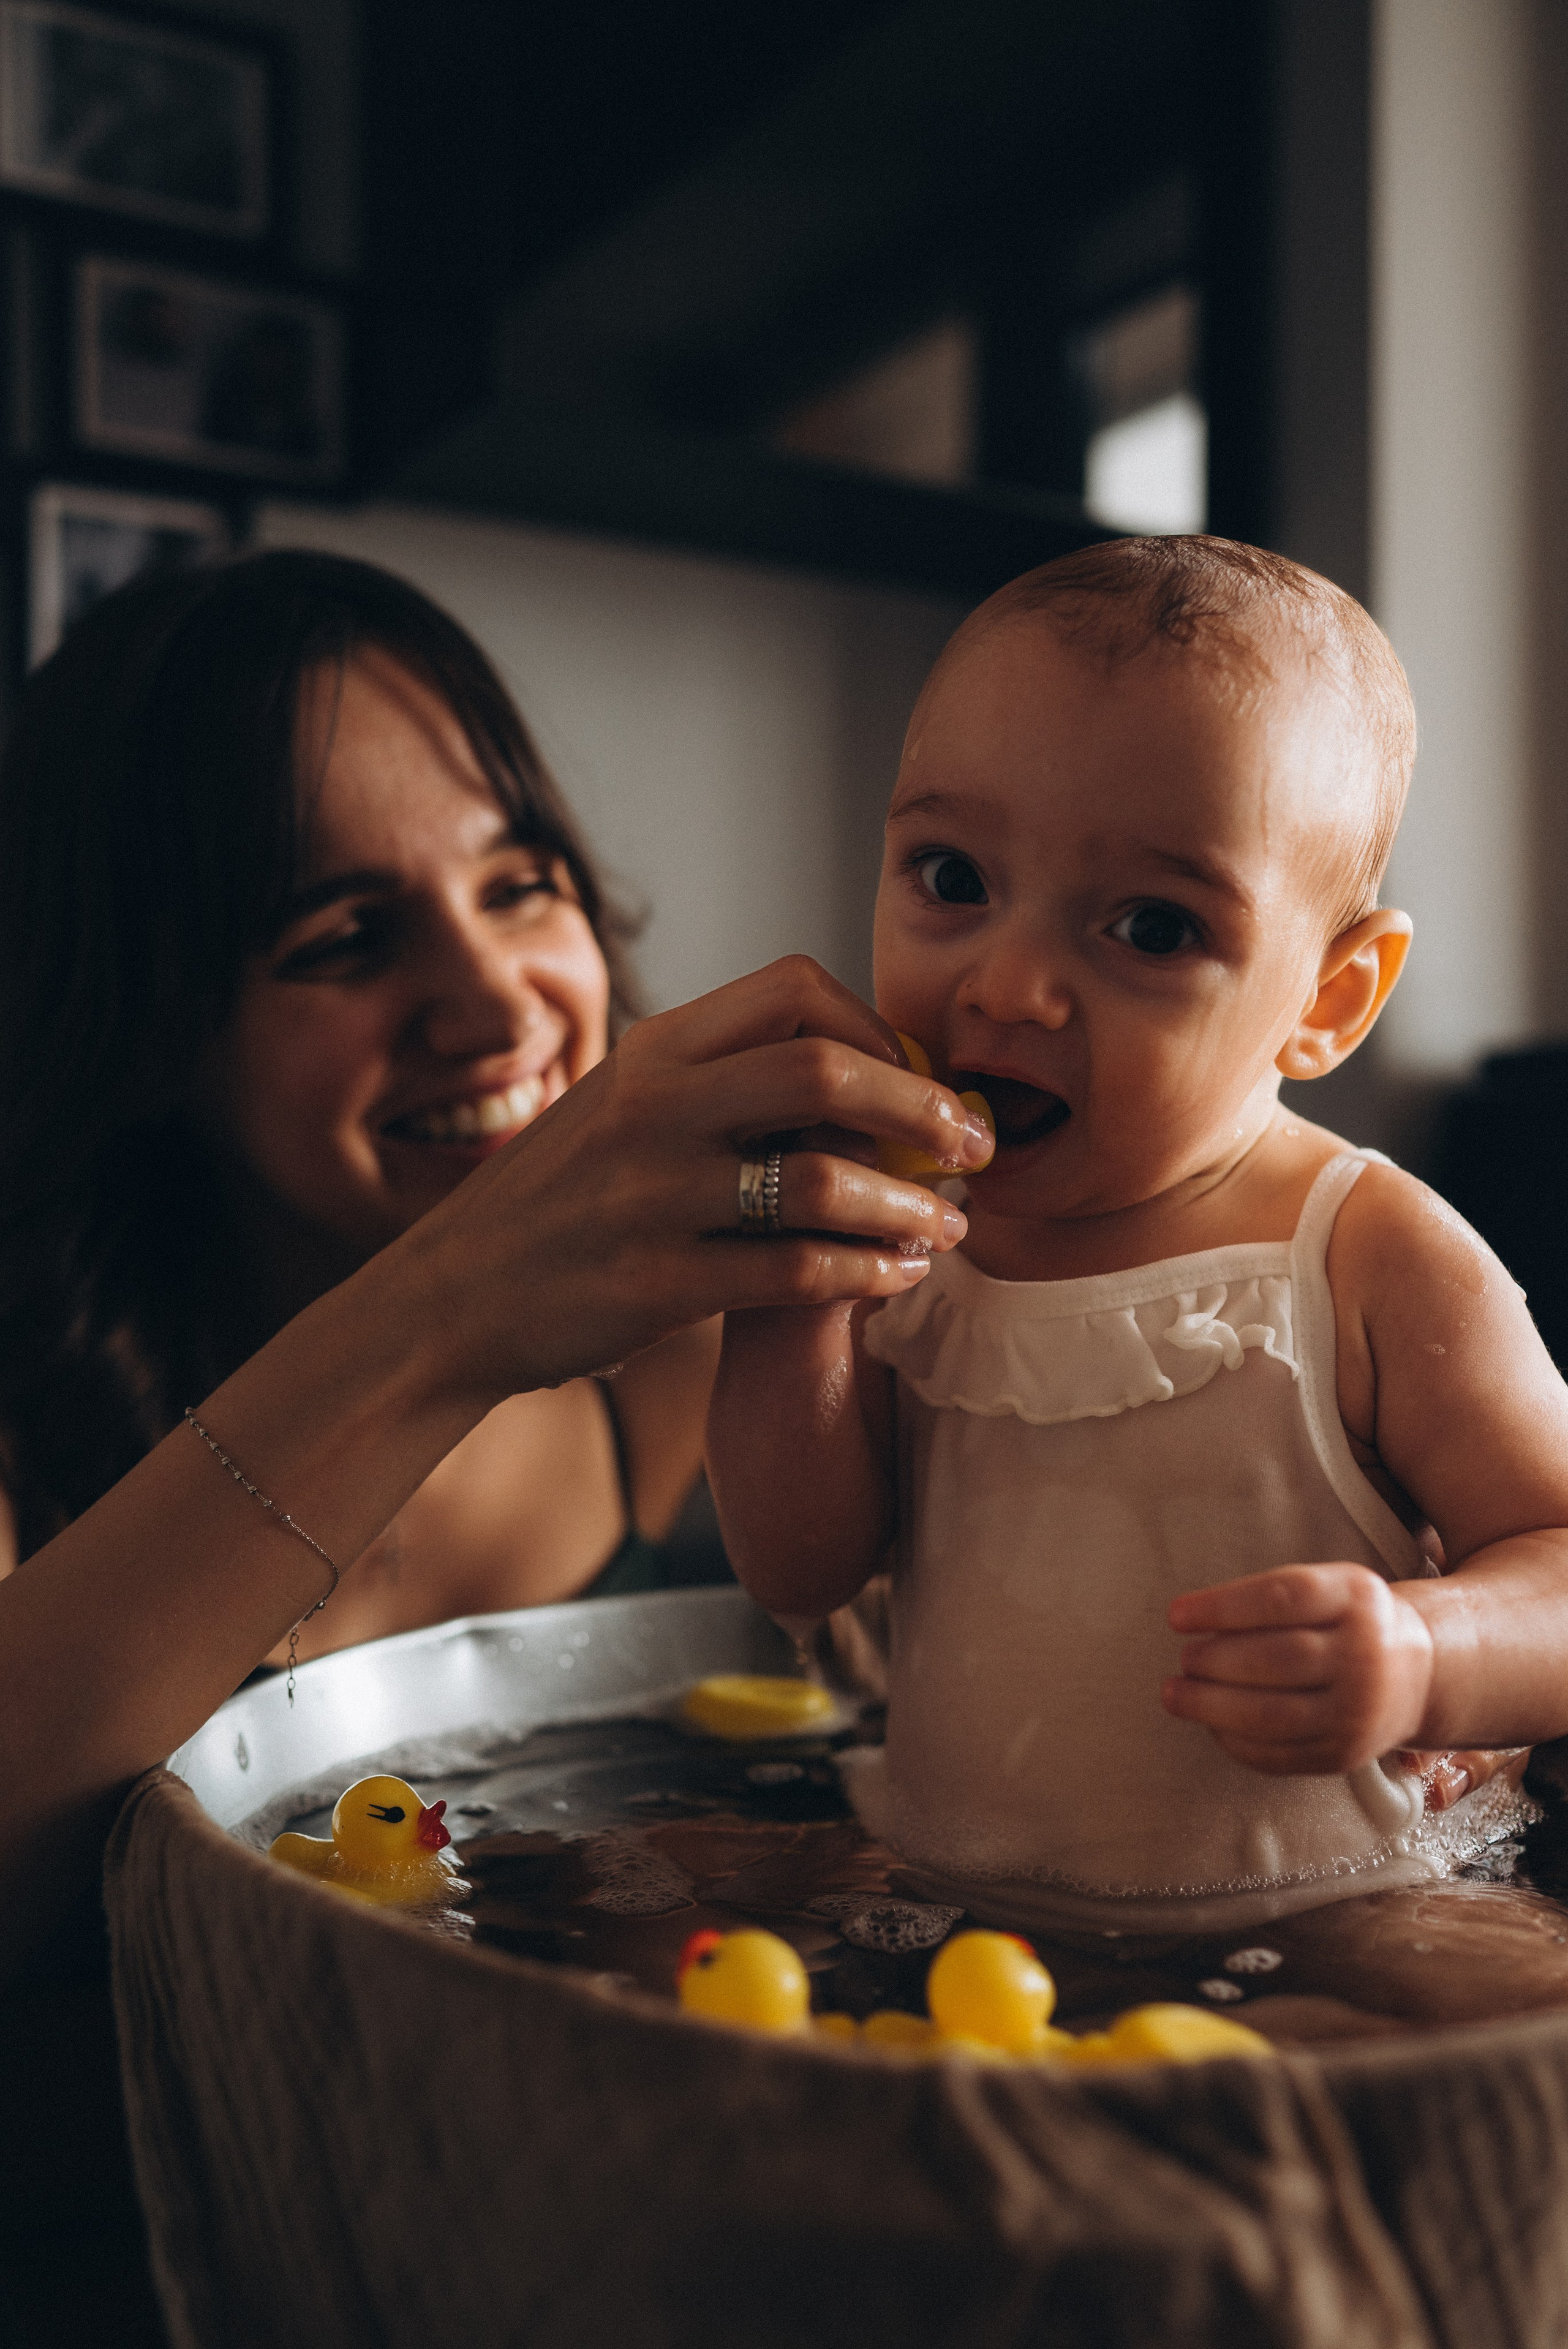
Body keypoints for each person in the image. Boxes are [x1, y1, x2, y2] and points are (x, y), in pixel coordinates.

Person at [0, 549, 992, 1986]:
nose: (491, 1006)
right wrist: (450, 1313)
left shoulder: (718, 1373)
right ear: (145, 1032)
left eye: (520, 885)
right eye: (344, 939)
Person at [707, 537, 1568, 2014]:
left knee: (1503, 2068)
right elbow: (799, 1571)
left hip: (1338, 1901)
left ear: (1325, 997)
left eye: (1151, 928)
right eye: (952, 878)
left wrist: (1421, 1649)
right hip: (942, 1888)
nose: (1006, 986)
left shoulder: (1365, 1252)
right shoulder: (907, 1221)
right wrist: (794, 1301)